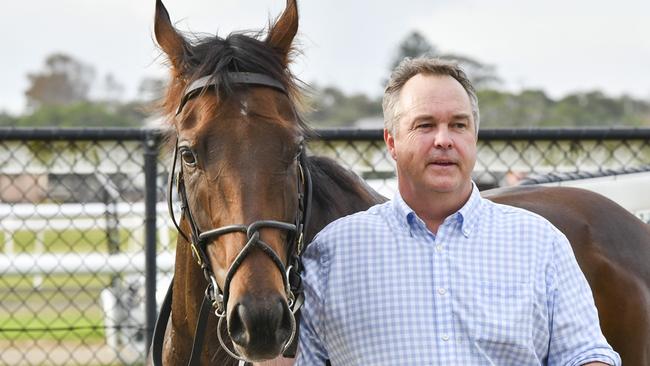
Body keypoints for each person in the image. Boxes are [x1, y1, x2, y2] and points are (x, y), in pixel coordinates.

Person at [295, 57, 620, 365]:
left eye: (458, 125)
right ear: (391, 142)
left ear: (474, 136)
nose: (443, 140)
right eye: (425, 125)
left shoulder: (540, 242)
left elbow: (583, 352)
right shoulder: (331, 254)